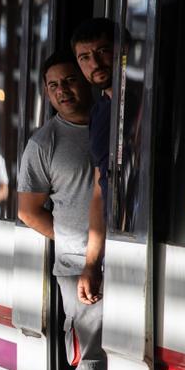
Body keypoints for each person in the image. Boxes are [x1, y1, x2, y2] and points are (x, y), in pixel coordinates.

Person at [17, 51, 109, 370]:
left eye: (69, 80)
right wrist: (72, 240)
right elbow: (29, 210)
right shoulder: (43, 143)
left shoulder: (114, 124)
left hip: (123, 263)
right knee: (89, 361)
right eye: (53, 85)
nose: (62, 91)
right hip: (75, 269)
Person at [73, 18, 115, 308]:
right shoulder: (100, 112)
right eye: (85, 57)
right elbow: (101, 189)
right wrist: (92, 263)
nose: (95, 63)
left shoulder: (146, 102)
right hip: (116, 244)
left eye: (102, 51)